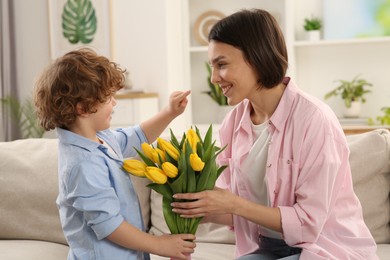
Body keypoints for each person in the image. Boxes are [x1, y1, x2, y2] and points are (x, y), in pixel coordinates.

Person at [171, 9, 378, 260]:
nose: (214, 78)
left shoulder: (315, 121)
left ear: (258, 57)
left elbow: (309, 223)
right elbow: (237, 211)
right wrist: (203, 209)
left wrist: (232, 203)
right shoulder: (232, 124)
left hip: (324, 247)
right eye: (212, 67)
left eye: (222, 64)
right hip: (267, 248)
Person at [33, 48, 195, 260]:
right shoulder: (82, 164)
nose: (114, 102)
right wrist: (159, 245)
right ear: (84, 108)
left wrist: (169, 112)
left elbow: (138, 136)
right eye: (108, 97)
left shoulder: (101, 137)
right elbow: (109, 226)